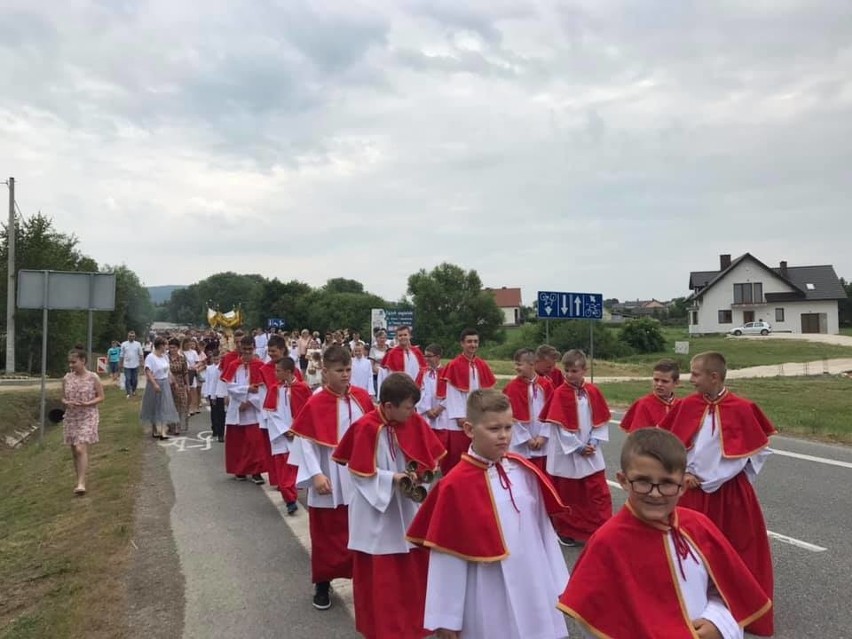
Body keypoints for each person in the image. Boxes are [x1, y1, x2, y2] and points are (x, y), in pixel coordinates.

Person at [559, 428, 772, 639]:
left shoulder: (698, 527)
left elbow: (726, 591)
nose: (655, 493)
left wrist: (717, 622)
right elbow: (593, 618)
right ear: (623, 480)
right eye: (642, 481)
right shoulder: (608, 542)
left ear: (683, 486)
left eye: (667, 483)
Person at [406, 389, 570, 639]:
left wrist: (560, 583)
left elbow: (543, 530)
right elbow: (447, 555)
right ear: (470, 429)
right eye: (494, 429)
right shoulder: (454, 486)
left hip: (533, 581)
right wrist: (446, 618)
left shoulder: (523, 471)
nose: (504, 436)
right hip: (485, 587)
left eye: (508, 427)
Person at [659, 351, 776, 636]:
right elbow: (672, 446)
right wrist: (683, 473)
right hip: (690, 491)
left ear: (714, 377)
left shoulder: (743, 408)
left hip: (730, 493)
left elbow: (753, 454)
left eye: (696, 374)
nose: (691, 380)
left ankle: (740, 608)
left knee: (738, 547)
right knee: (688, 549)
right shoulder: (687, 405)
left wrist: (713, 478)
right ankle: (691, 605)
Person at [332, 373, 445, 639]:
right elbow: (359, 473)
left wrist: (419, 476)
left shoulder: (413, 422)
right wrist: (392, 478)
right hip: (375, 513)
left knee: (411, 570)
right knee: (382, 578)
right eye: (408, 407)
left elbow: (429, 460)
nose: (413, 412)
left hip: (405, 509)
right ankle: (383, 629)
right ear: (388, 406)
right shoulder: (366, 427)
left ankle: (414, 625)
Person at [288, 345, 373, 610]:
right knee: (326, 534)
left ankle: (361, 580)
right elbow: (306, 442)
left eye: (348, 370)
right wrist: (316, 474)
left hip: (357, 477)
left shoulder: (361, 398)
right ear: (325, 372)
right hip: (328, 474)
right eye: (339, 371)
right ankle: (323, 584)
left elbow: (373, 436)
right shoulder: (316, 401)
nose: (346, 375)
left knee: (359, 531)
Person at [539, 349, 613, 547]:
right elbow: (559, 427)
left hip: (591, 450)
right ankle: (567, 531)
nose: (570, 375)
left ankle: (600, 528)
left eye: (574, 371)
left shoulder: (593, 392)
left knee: (597, 494)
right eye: (567, 370)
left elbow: (601, 420)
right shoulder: (559, 394)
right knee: (570, 495)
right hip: (568, 452)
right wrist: (578, 447)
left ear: (584, 370)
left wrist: (594, 442)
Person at [439, 328, 496, 472]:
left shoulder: (481, 364)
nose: (473, 345)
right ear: (462, 344)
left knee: (476, 457)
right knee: (457, 457)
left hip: (478, 418)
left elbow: (487, 391)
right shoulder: (454, 365)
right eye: (469, 341)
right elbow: (452, 393)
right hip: (460, 421)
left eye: (475, 341)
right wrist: (460, 416)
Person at [263, 357, 312, 515]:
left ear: (288, 371)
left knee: (294, 467)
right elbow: (271, 413)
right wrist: (285, 430)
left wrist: (297, 429)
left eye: (278, 370)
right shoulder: (274, 389)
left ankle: (292, 498)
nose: (275, 373)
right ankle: (289, 498)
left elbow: (307, 411)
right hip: (281, 435)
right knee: (283, 470)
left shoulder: (302, 388)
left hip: (298, 435)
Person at [220, 335, 267, 485]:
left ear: (254, 348)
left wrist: (250, 401)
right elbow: (230, 386)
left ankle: (256, 471)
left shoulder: (260, 365)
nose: (247, 352)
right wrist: (246, 390)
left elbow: (263, 389)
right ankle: (240, 470)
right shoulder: (234, 365)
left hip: (253, 409)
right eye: (244, 349)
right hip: (237, 408)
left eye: (249, 349)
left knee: (255, 443)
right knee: (238, 443)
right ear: (240, 349)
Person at [62, 347, 105, 495]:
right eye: (69, 363)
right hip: (72, 417)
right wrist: (66, 403)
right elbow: (62, 397)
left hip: (88, 415)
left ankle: (82, 483)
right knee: (74, 450)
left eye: (74, 362)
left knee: (80, 448)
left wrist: (89, 403)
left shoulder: (93, 377)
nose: (71, 365)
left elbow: (101, 396)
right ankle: (78, 478)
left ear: (83, 361)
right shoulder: (67, 378)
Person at [502, 347, 553, 470]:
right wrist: (527, 439)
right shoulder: (512, 388)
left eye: (520, 364)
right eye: (516, 364)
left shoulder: (546, 385)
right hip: (521, 444)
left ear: (531, 364)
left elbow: (552, 413)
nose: (516, 368)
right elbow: (511, 417)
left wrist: (543, 437)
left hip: (543, 442)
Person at [415, 344, 454, 475]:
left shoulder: (446, 373)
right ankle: (426, 468)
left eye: (429, 356)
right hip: (426, 415)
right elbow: (418, 392)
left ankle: (438, 467)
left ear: (438, 357)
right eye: (425, 355)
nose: (426, 359)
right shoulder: (423, 372)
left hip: (441, 415)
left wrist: (439, 408)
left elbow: (451, 394)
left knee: (441, 442)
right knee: (425, 441)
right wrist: (426, 410)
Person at [620, 358, 681, 433]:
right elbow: (638, 437)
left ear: (676, 382)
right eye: (656, 380)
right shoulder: (643, 404)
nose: (659, 384)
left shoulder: (680, 405)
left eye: (665, 381)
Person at [140, 337, 180, 440]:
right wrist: (154, 384)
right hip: (155, 383)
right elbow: (148, 371)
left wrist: (174, 382)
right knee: (154, 406)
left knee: (164, 406)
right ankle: (154, 429)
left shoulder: (165, 357)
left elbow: (168, 371)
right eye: (165, 345)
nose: (166, 347)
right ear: (160, 346)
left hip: (165, 383)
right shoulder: (150, 357)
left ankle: (163, 431)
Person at [202, 350, 227, 442]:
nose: (216, 361)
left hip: (221, 393)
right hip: (213, 393)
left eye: (218, 359)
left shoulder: (222, 368)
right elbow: (210, 382)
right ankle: (215, 429)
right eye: (215, 359)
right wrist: (209, 394)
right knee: (214, 412)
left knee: (221, 414)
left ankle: (221, 432)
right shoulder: (210, 368)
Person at [167, 338, 190, 436]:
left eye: (174, 347)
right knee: (170, 404)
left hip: (179, 382)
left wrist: (187, 385)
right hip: (168, 383)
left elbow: (185, 372)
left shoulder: (182, 358)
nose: (172, 349)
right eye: (170, 347)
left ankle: (178, 426)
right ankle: (170, 425)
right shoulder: (165, 357)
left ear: (178, 348)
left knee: (180, 404)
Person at [120, 331, 144, 398]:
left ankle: (133, 390)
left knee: (134, 379)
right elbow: (121, 355)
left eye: (133, 336)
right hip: (127, 365)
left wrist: (142, 363)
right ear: (128, 336)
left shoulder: (138, 344)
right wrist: (120, 363)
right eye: (130, 336)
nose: (131, 337)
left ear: (135, 337)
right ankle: (128, 392)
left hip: (135, 365)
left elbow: (141, 354)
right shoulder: (124, 344)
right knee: (128, 378)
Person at [368, 329, 390, 395]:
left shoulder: (389, 349)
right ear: (377, 339)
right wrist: (379, 371)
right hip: (376, 376)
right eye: (380, 338)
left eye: (383, 338)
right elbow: (371, 364)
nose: (382, 340)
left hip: (387, 375)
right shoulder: (373, 349)